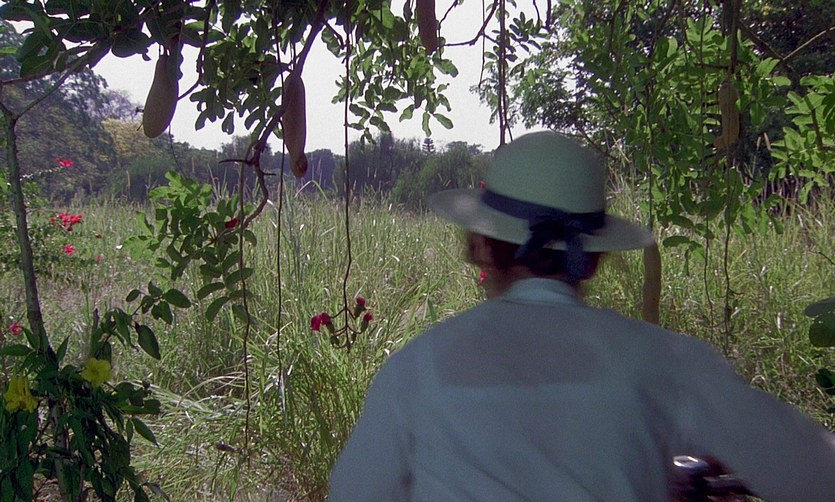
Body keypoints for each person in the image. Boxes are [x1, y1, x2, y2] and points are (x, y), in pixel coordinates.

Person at [328, 131, 835, 501]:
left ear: (482, 246)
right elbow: (815, 470)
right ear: (593, 257)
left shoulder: (416, 369)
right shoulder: (666, 363)